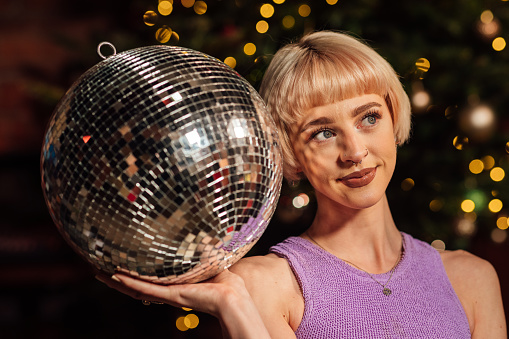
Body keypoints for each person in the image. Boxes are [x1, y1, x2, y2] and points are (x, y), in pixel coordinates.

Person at [96, 31, 506, 338]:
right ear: (289, 151)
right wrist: (233, 305)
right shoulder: (263, 283)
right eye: (322, 133)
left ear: (393, 115)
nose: (355, 151)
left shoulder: (471, 278)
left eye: (368, 118)